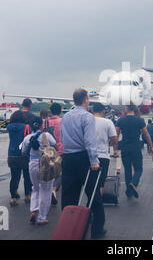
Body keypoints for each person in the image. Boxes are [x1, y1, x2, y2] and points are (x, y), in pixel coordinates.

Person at [61, 88, 106, 239]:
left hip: (67, 158)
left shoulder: (65, 116)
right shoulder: (87, 117)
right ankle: (97, 227)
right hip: (83, 158)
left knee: (68, 196)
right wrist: (94, 161)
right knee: (93, 194)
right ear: (86, 99)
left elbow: (62, 137)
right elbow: (90, 141)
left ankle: (67, 226)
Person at [21, 116, 57, 225]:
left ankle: (34, 210)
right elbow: (55, 145)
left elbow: (23, 153)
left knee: (35, 188)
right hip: (45, 164)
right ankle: (41, 217)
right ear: (42, 125)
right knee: (45, 190)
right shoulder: (46, 136)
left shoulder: (27, 138)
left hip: (32, 164)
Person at [115, 104, 153, 199]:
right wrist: (151, 146)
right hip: (136, 147)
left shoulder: (120, 120)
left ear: (127, 109)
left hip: (125, 148)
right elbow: (146, 134)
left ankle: (129, 191)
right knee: (138, 169)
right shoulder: (139, 120)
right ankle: (134, 183)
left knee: (127, 169)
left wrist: (115, 148)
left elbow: (116, 134)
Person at [7, 110, 32, 206]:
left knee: (14, 177)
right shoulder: (27, 127)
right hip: (23, 155)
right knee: (27, 176)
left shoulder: (9, 127)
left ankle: (13, 197)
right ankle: (27, 195)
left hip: (11, 154)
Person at [92, 103, 118, 196]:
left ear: (92, 111)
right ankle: (98, 203)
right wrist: (109, 144)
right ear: (103, 111)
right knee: (101, 182)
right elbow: (114, 138)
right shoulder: (108, 122)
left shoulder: (88, 121)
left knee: (90, 182)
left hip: (89, 156)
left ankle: (90, 203)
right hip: (103, 155)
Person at [44, 103, 64, 206]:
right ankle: (54, 188)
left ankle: (49, 190)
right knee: (60, 172)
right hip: (60, 149)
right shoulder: (62, 121)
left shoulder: (45, 122)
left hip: (48, 150)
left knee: (49, 171)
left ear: (50, 111)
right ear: (60, 111)